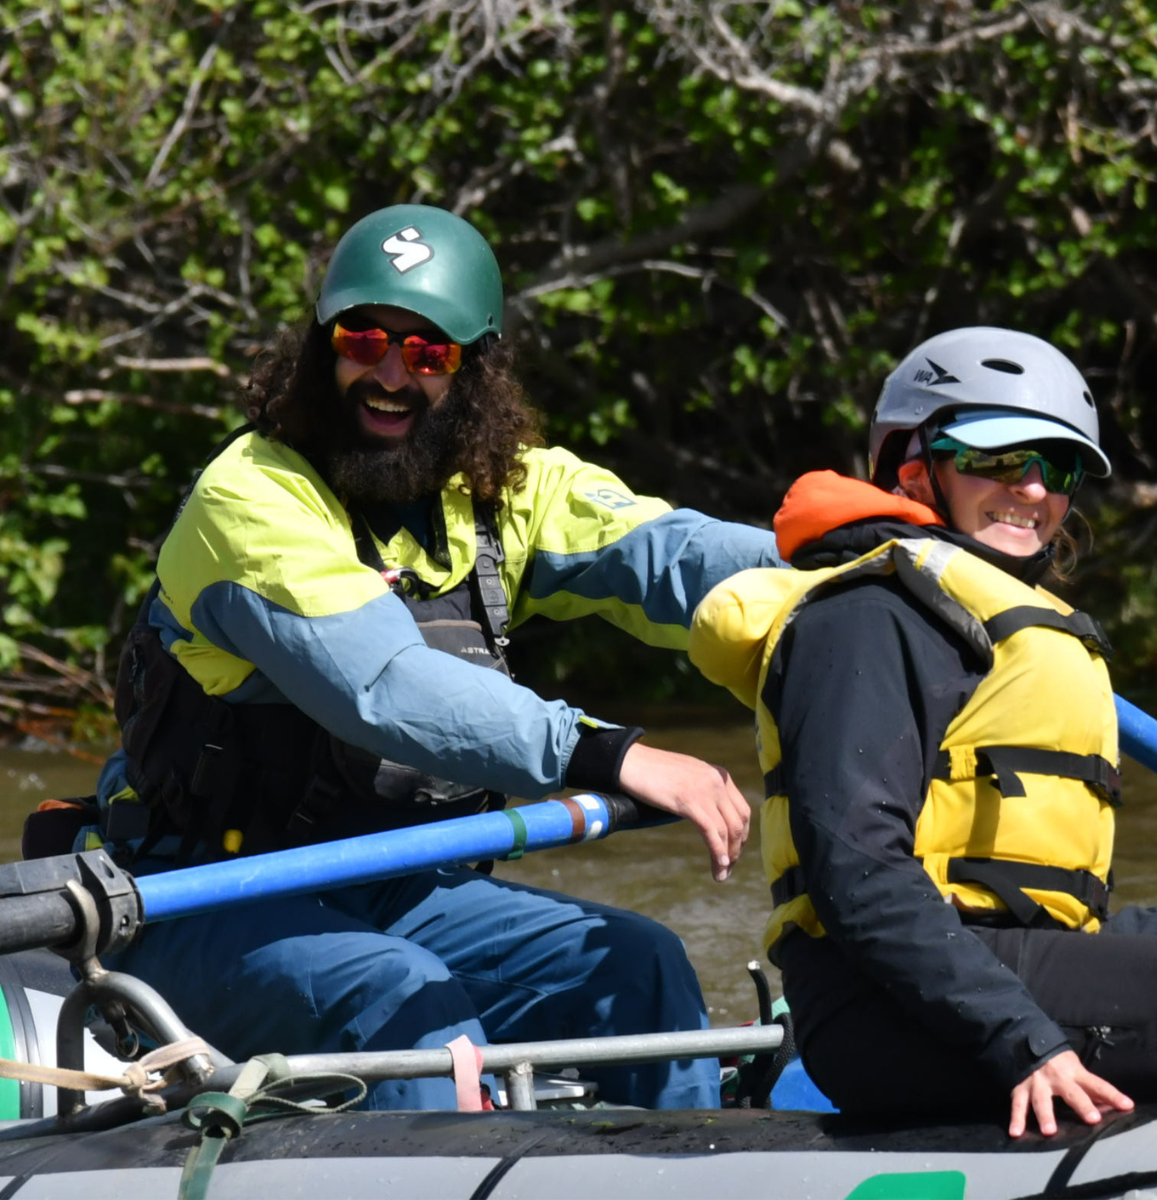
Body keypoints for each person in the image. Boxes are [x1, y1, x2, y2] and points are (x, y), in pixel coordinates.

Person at [74, 204, 777, 1109]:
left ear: (473, 371)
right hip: (201, 896)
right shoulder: (249, 497)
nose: (391, 374)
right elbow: (384, 687)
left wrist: (848, 554)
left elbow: (670, 554)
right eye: (364, 339)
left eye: (429, 354)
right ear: (322, 351)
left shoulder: (499, 488)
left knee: (639, 972)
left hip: (391, 885)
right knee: (402, 1003)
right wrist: (610, 752)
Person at [689, 327, 1157, 1137]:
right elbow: (857, 874)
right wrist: (1022, 1042)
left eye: (1058, 468)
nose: (1032, 490)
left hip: (981, 981)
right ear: (914, 466)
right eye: (996, 460)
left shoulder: (996, 625)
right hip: (884, 1007)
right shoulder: (865, 617)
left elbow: (1065, 942)